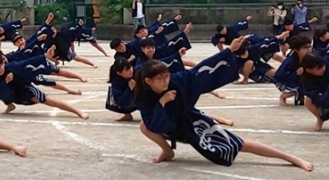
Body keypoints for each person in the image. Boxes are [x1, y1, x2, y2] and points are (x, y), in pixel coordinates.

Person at [133, 37, 313, 171]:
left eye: (167, 76)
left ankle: (290, 157)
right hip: (168, 125)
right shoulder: (143, 95)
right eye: (160, 78)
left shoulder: (178, 81)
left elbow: (200, 71)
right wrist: (163, 102)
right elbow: (151, 122)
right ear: (148, 81)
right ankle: (167, 151)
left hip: (191, 122)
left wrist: (228, 52)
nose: (165, 81)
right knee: (144, 126)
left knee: (239, 144)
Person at [300, 53, 329, 131]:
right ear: (309, 70)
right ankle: (320, 119)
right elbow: (314, 96)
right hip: (324, 96)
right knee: (308, 101)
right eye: (319, 68)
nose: (323, 68)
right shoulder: (307, 81)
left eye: (323, 65)